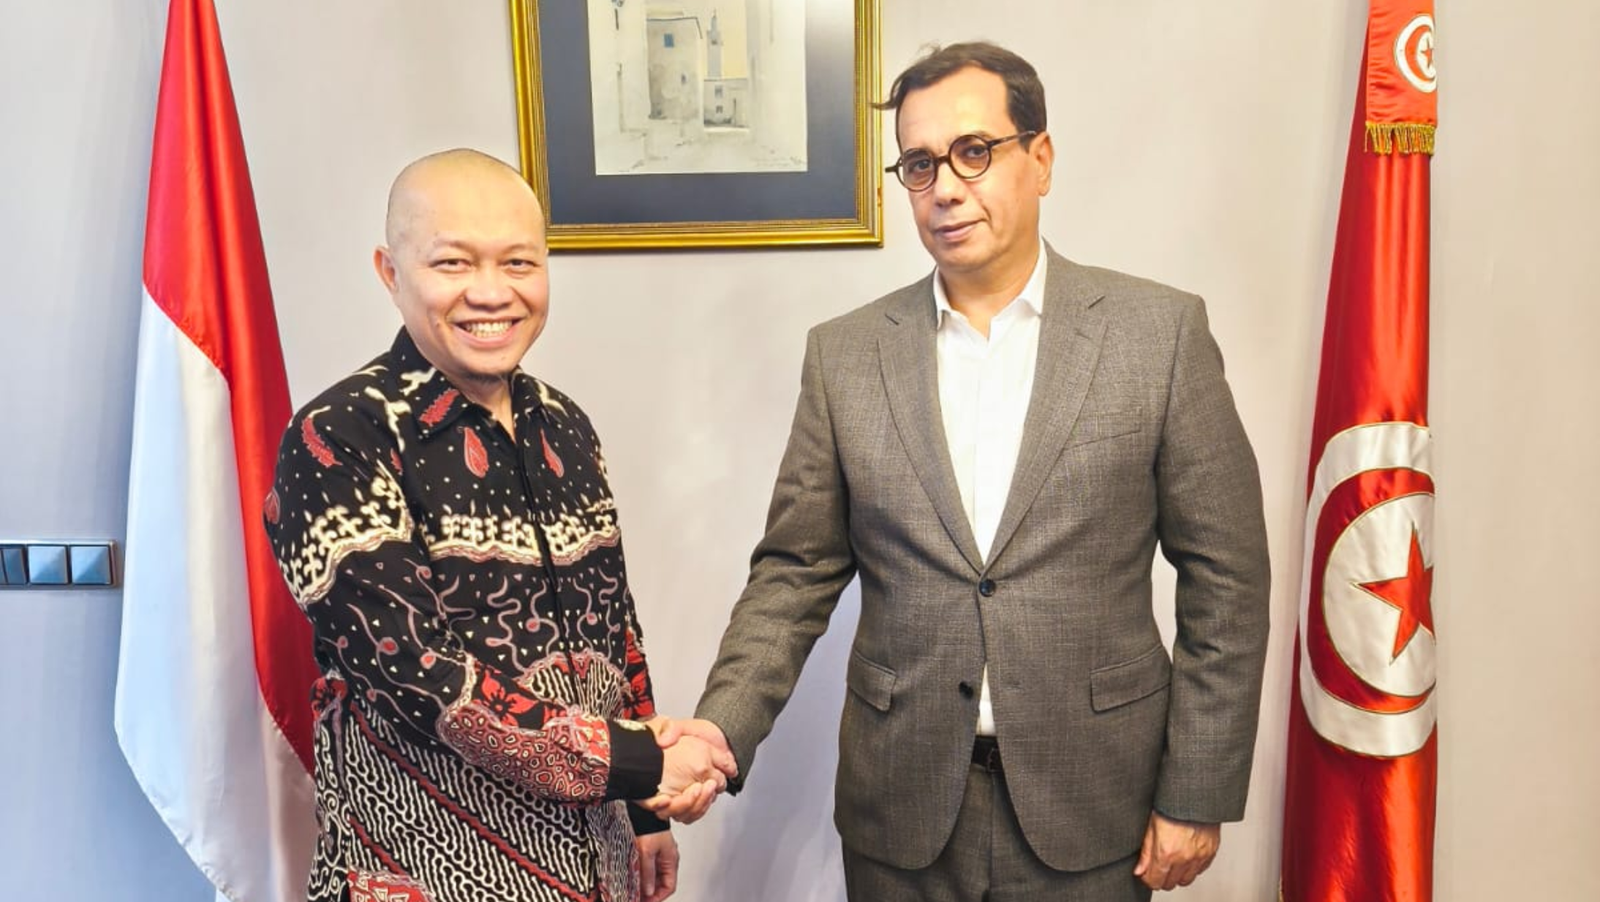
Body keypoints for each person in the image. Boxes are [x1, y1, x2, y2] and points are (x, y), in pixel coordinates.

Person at [658, 42, 1271, 900]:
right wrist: (720, 729)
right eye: (919, 164)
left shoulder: (1158, 336)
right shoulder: (845, 357)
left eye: (974, 152)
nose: (945, 186)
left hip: (1098, 805)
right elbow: (794, 574)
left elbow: (1228, 579)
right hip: (900, 810)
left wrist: (1197, 788)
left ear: (1041, 159)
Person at [263, 148, 730, 902]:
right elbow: (418, 675)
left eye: (518, 262)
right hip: (424, 872)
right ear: (390, 272)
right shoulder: (337, 437)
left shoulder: (565, 424)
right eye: (452, 263)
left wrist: (645, 808)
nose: (490, 292)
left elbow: (615, 629)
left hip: (600, 865)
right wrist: (644, 763)